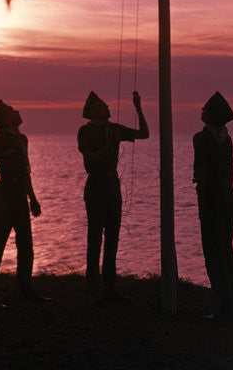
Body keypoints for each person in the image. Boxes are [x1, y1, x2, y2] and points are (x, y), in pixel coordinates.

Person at [77, 90, 148, 305]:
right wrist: (109, 145)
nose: (107, 107)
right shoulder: (85, 131)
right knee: (95, 238)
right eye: (102, 105)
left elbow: (144, 134)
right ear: (92, 111)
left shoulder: (114, 128)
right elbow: (89, 162)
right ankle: (93, 288)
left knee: (113, 238)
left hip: (112, 185)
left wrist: (138, 107)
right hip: (96, 185)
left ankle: (109, 287)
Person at [0, 100, 42, 308]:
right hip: (6, 192)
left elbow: (26, 172)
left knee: (26, 245)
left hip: (19, 195)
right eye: (12, 111)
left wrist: (32, 198)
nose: (17, 113)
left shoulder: (22, 139)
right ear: (7, 118)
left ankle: (25, 289)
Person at [193, 91, 233, 320]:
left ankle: (225, 303)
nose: (201, 111)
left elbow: (202, 174)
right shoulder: (227, 139)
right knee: (226, 248)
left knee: (214, 251)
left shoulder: (201, 139)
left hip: (213, 198)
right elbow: (229, 172)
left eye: (205, 108)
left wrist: (202, 206)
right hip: (228, 196)